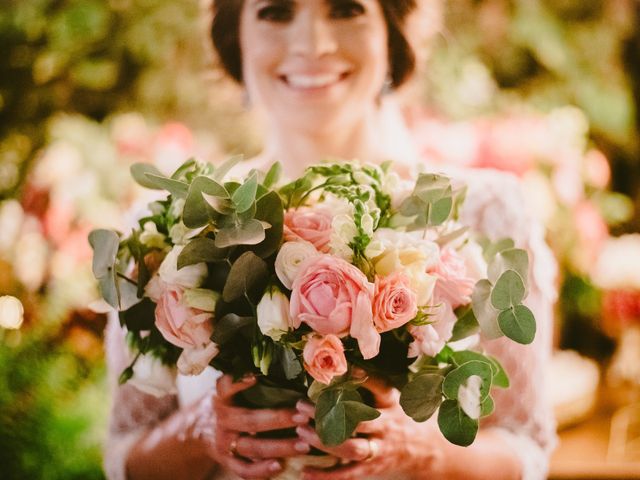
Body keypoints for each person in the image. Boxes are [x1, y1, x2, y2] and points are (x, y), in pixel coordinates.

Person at [104, 1, 558, 479]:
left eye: (346, 8)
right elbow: (124, 458)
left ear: (392, 30)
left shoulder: (487, 214)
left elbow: (524, 448)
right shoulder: (171, 229)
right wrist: (198, 434)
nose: (312, 44)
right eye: (276, 12)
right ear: (234, 34)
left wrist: (424, 452)